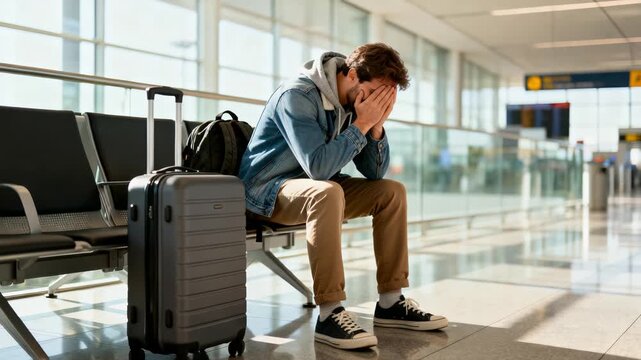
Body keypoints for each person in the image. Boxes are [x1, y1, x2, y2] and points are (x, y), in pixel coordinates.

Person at [239, 43, 448, 350]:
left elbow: (375, 173)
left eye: (386, 97)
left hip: (318, 189)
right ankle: (329, 313)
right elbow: (319, 168)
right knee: (327, 192)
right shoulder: (297, 97)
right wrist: (362, 123)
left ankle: (391, 302)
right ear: (352, 75)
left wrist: (375, 127)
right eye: (376, 93)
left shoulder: (355, 105)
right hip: (266, 192)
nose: (378, 102)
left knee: (391, 192)